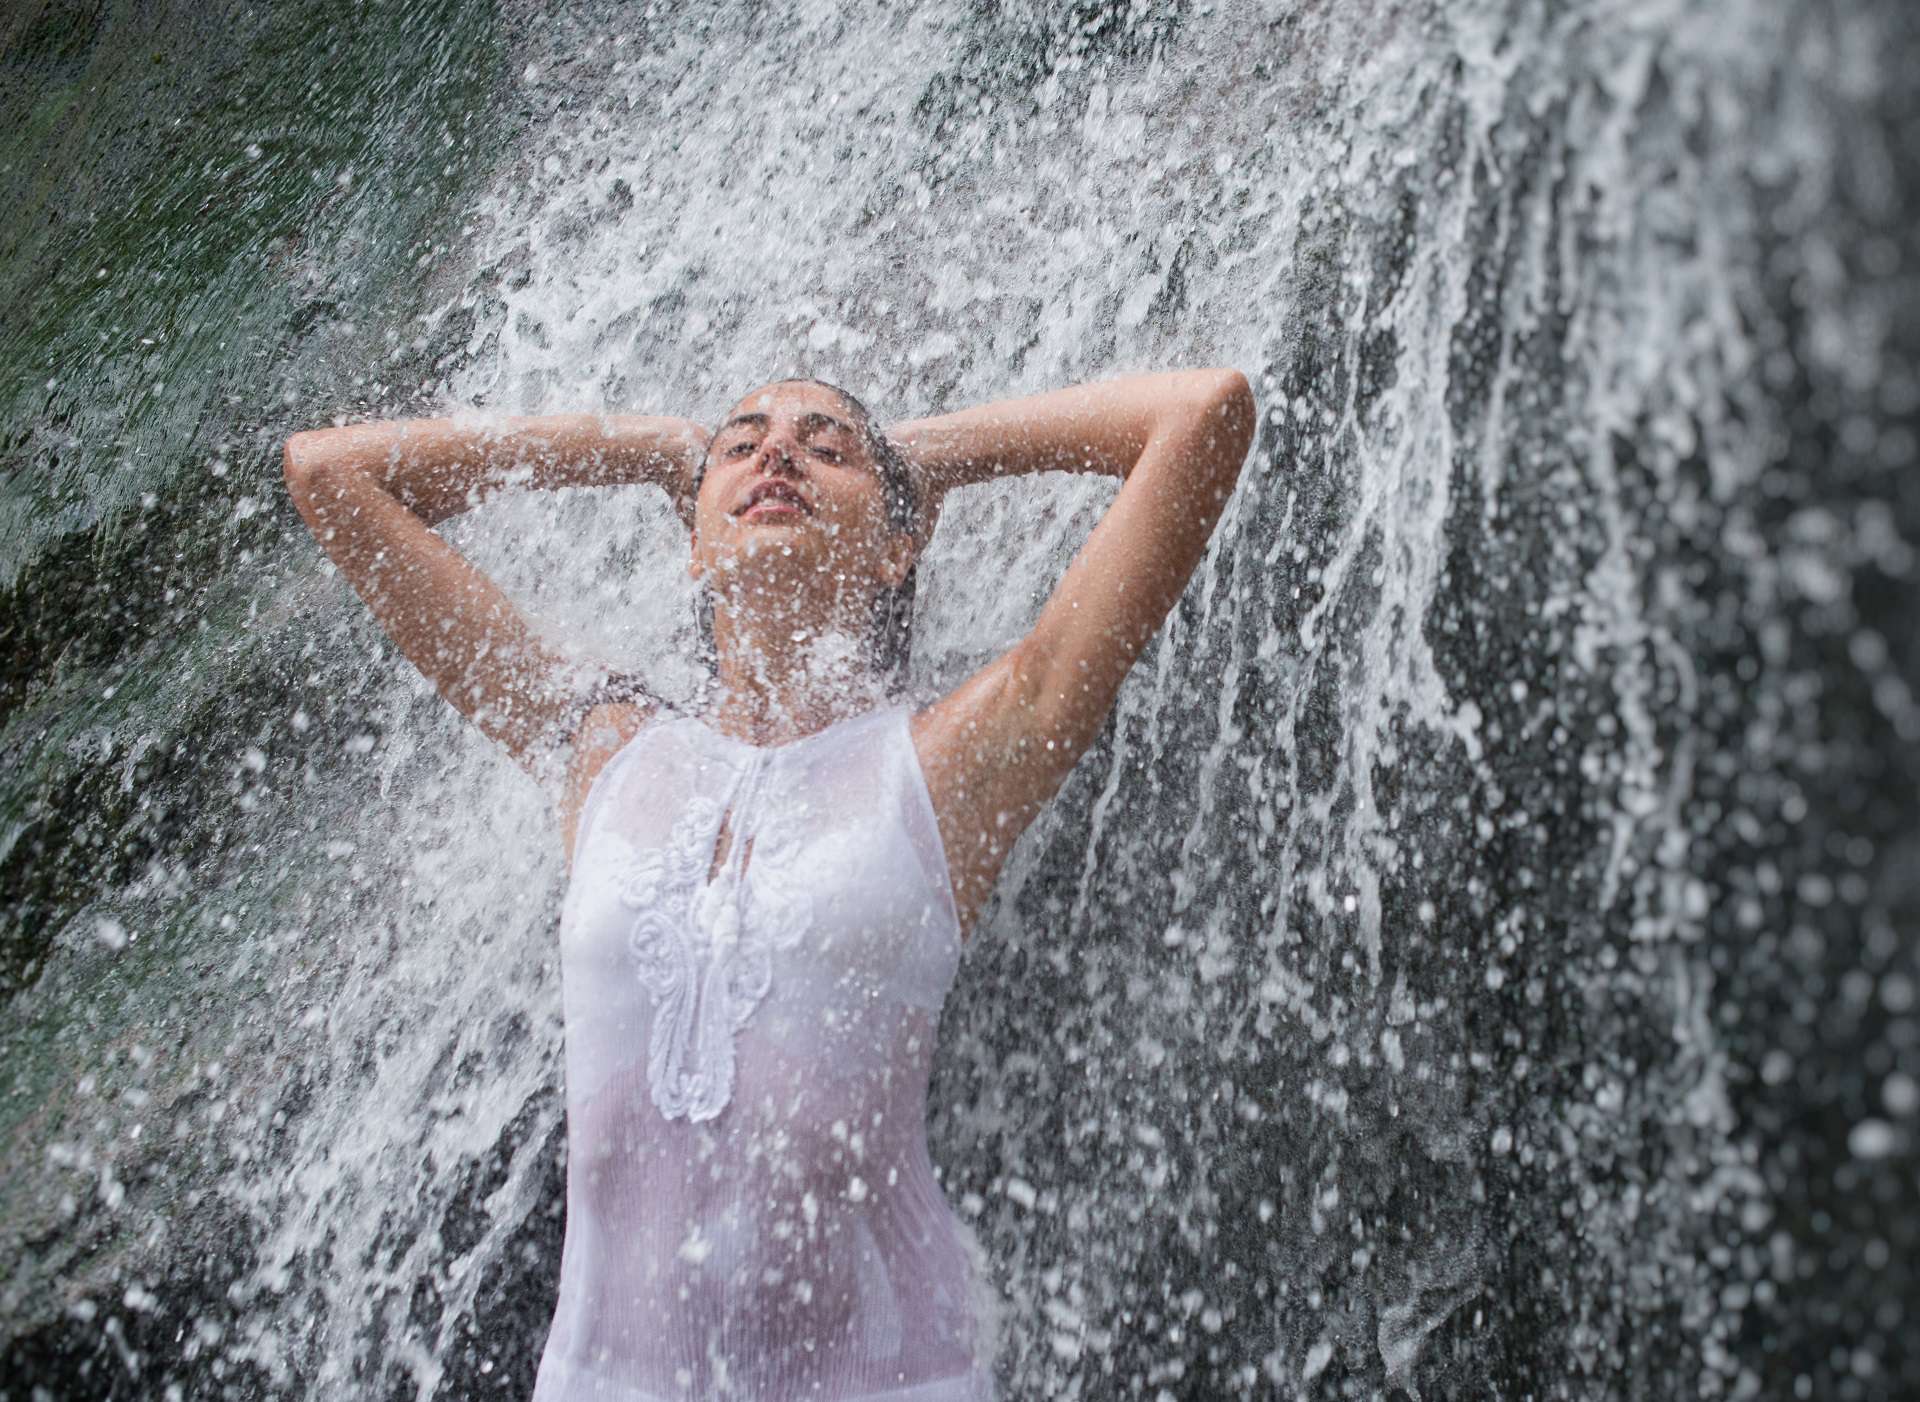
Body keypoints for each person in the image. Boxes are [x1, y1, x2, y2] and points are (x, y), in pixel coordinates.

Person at [282, 368, 1256, 1401]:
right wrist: (648, 446)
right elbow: (329, 472)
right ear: (693, 543)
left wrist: (926, 454)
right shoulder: (606, 751)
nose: (777, 455)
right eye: (740, 444)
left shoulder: (942, 770)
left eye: (826, 449)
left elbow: (1199, 416)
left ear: (897, 545)